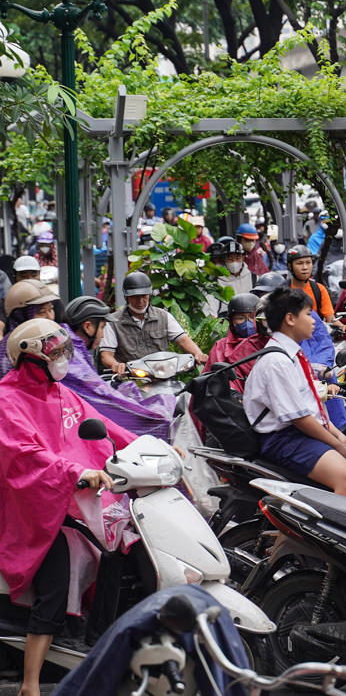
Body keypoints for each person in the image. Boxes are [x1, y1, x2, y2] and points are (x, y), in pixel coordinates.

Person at [0, 319, 139, 696]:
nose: (63, 359)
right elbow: (25, 456)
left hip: (73, 501)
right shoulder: (6, 400)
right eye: (55, 353)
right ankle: (30, 685)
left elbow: (105, 425)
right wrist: (77, 470)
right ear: (31, 357)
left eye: (65, 351)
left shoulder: (60, 392)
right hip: (31, 510)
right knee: (55, 585)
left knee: (127, 543)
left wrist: (146, 448)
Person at [242, 287, 346, 495]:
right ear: (290, 319)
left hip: (299, 434)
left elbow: (311, 406)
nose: (314, 320)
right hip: (286, 440)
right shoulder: (277, 361)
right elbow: (299, 418)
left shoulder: (292, 355)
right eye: (308, 314)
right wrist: (337, 445)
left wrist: (340, 437)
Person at [59, 295, 176, 440]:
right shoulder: (71, 356)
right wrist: (150, 415)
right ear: (88, 327)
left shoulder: (70, 347)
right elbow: (99, 393)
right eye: (102, 328)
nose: (102, 335)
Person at [98, 272, 208, 373]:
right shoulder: (113, 322)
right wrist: (116, 365)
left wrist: (198, 354)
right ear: (126, 297)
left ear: (150, 295)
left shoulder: (164, 317)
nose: (140, 301)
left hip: (164, 377)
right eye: (135, 297)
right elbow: (106, 355)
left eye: (144, 296)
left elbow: (183, 340)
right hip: (130, 380)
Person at [285, 246, 346, 337]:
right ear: (290, 266)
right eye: (299, 263)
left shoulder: (319, 289)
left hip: (316, 341)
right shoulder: (283, 290)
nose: (305, 267)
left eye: (308, 263)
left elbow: (330, 318)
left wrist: (343, 326)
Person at [0, 279, 60, 378]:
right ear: (21, 316)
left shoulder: (54, 339)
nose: (50, 317)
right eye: (42, 312)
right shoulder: (9, 351)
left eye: (50, 309)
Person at [205, 293, 265, 373]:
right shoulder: (221, 346)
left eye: (251, 317)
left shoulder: (268, 344)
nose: (247, 323)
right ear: (232, 322)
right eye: (240, 318)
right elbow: (209, 376)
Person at [206, 239, 256, 316]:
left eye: (237, 258)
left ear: (243, 257)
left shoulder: (254, 279)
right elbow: (210, 311)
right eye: (230, 259)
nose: (234, 262)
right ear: (224, 259)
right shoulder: (216, 283)